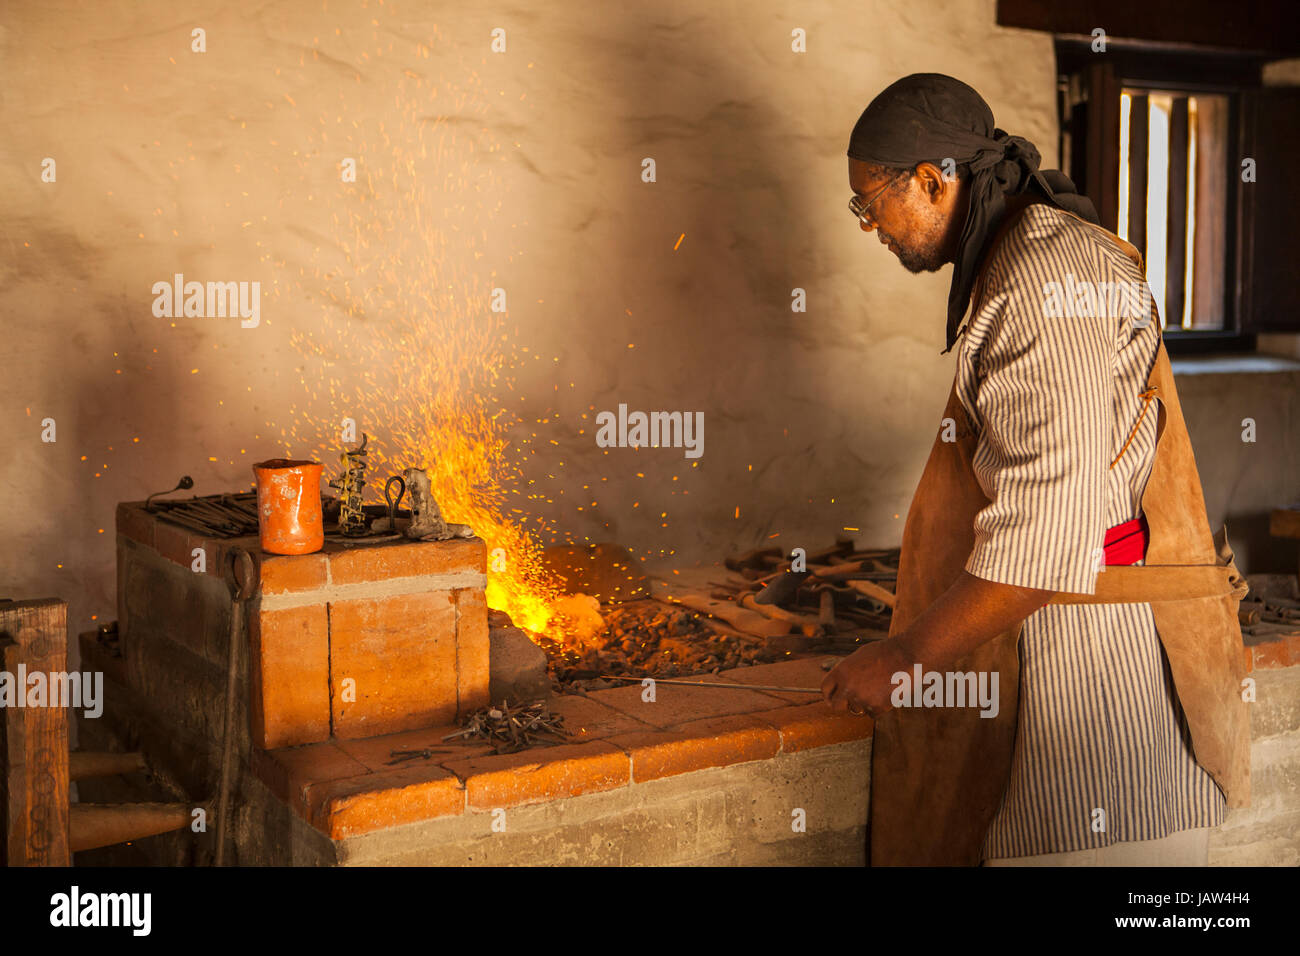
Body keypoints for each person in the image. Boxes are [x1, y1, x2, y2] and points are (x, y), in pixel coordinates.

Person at [822, 73, 1251, 866]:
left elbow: (1050, 533)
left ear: (931, 180)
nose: (866, 224)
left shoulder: (1048, 278)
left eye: (867, 201)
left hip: (1098, 714)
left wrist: (907, 655)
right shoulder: (1025, 263)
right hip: (1064, 665)